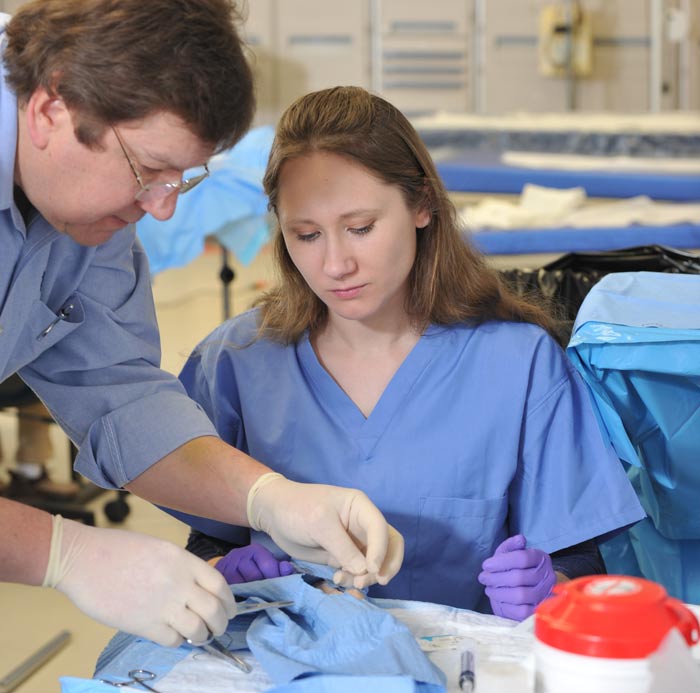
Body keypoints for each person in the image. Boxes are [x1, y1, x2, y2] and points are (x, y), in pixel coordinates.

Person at [0, 2, 403, 648]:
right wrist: (63, 553)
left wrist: (268, 498)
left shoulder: (90, 220)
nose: (159, 211)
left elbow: (122, 401)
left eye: (179, 180)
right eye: (147, 172)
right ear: (51, 111)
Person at [178, 85, 646, 620]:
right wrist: (223, 571)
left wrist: (550, 587)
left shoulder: (518, 366)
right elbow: (207, 535)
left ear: (422, 204)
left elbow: (577, 555)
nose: (335, 264)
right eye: (305, 235)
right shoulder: (239, 360)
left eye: (359, 228)